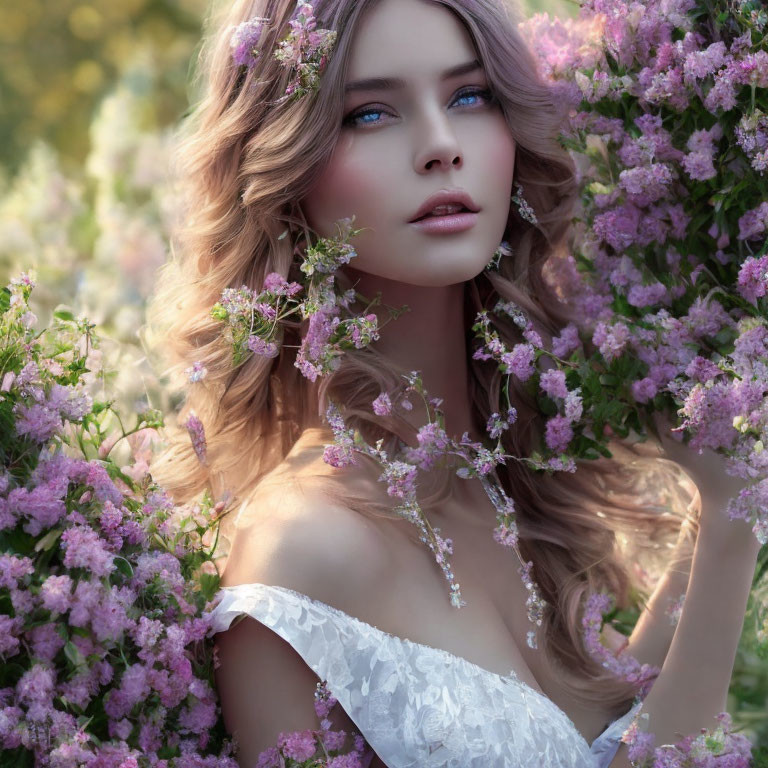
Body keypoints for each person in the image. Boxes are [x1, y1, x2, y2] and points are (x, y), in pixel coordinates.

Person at [144, 0, 762, 765]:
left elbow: (608, 744)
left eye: (471, 98)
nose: (441, 146)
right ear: (284, 163)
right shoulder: (304, 554)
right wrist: (733, 527)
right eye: (370, 113)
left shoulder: (506, 483)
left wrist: (720, 502)